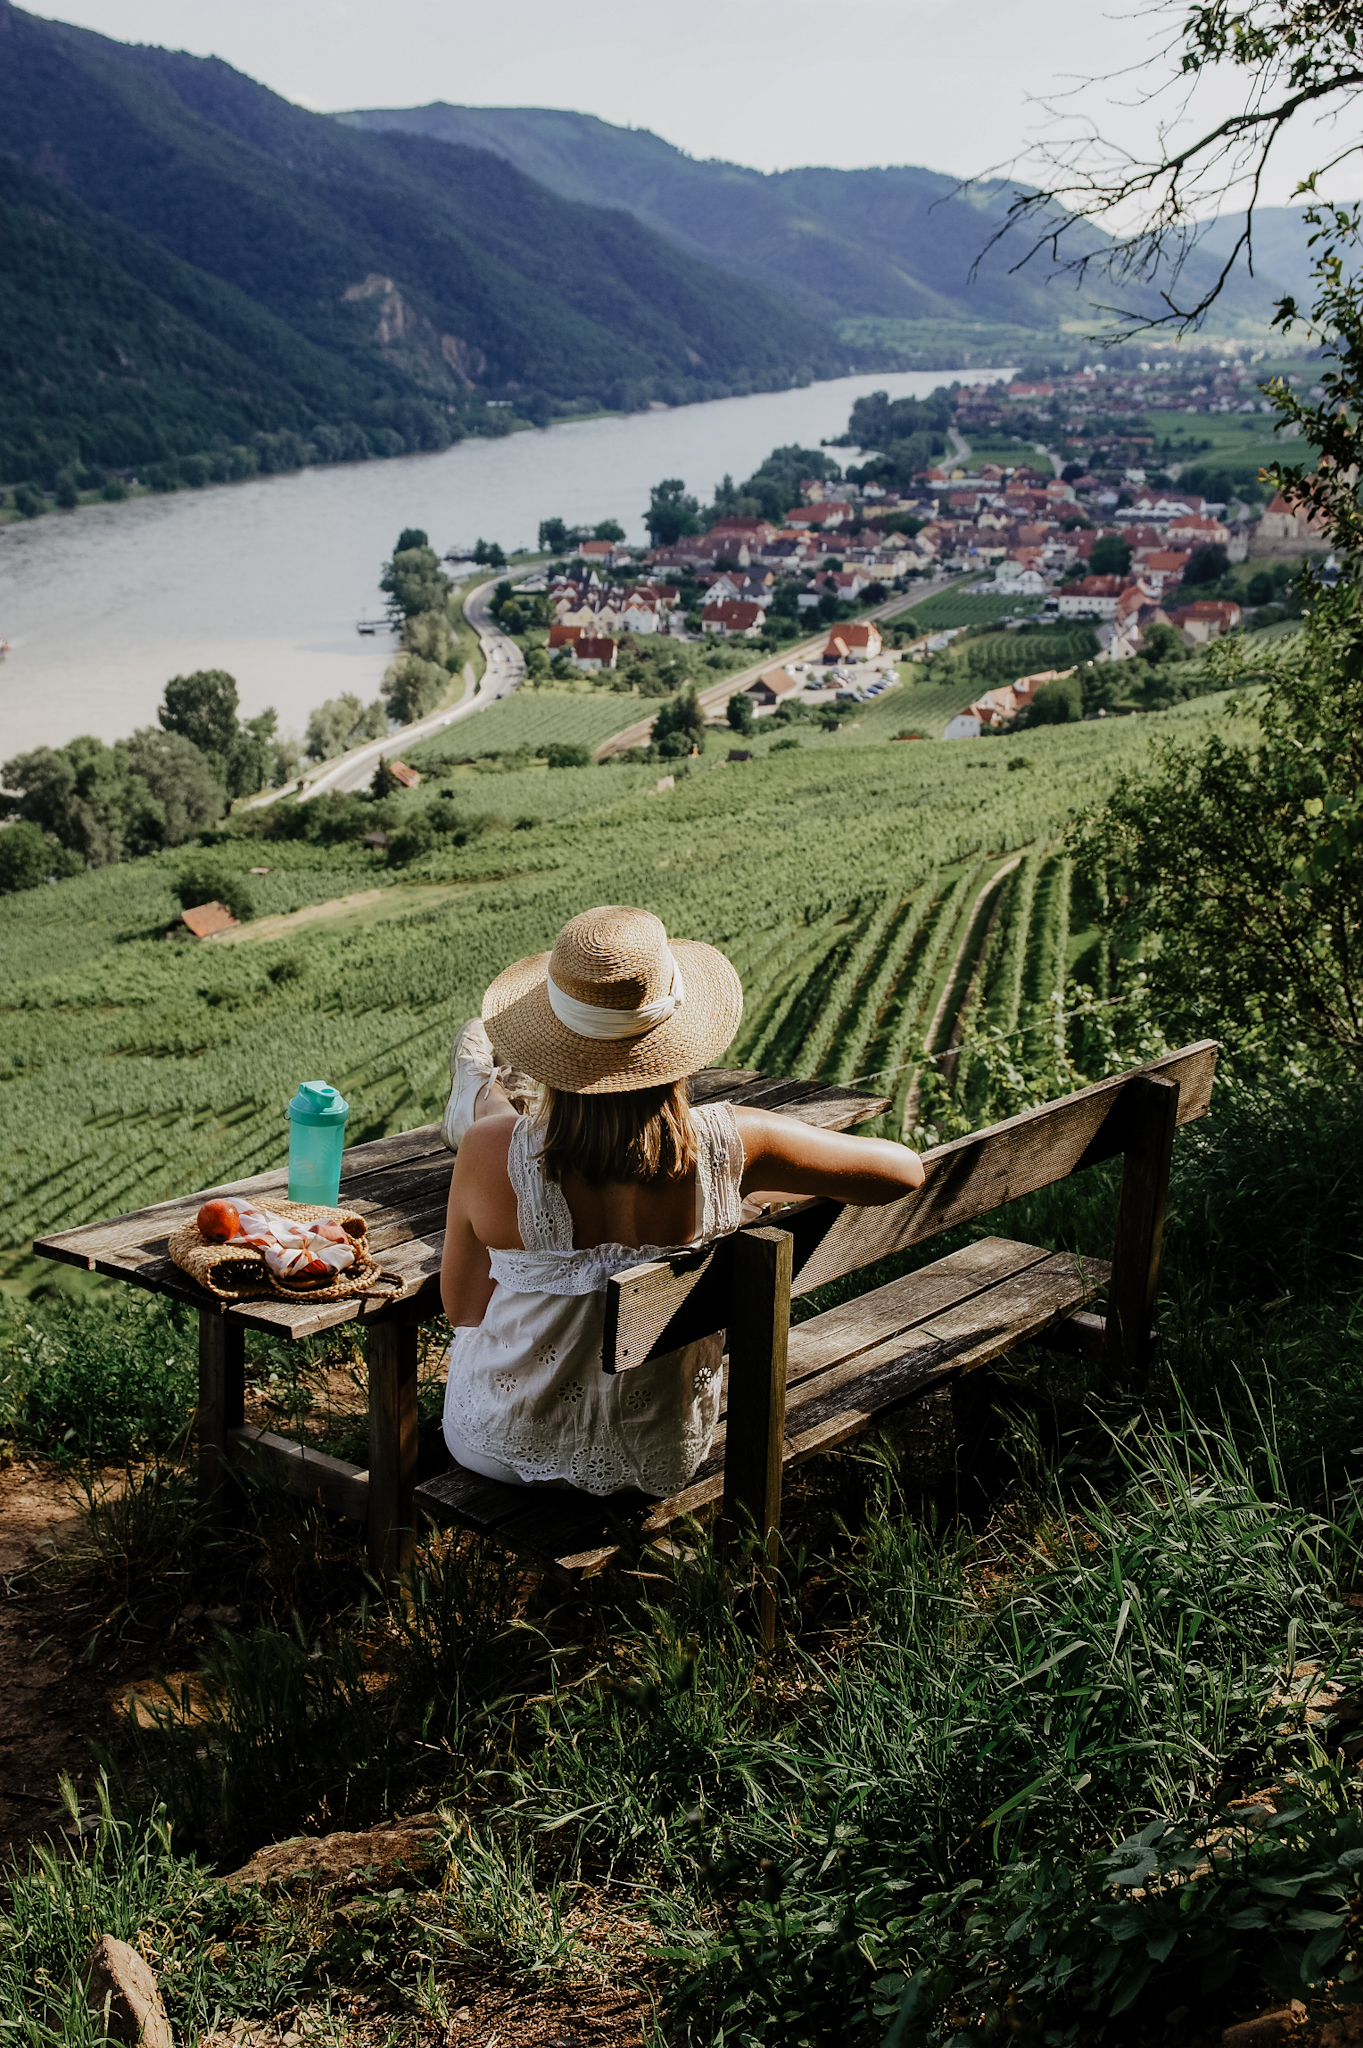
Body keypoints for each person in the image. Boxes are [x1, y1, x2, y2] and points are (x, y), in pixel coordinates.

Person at [439, 905, 925, 1498]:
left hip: (499, 1446)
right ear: (675, 1039)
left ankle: (484, 1089)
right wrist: (754, 1183)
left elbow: (463, 1308)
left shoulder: (490, 1154)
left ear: (556, 1048)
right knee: (494, 1128)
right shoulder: (738, 1142)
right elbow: (905, 1170)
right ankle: (483, 1090)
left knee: (488, 1124)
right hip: (659, 1455)